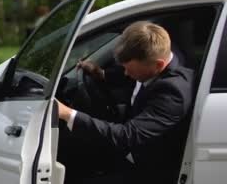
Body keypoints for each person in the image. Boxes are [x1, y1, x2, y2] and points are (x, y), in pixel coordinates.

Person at [56, 21, 195, 184]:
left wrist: (67, 113)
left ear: (159, 65)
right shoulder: (156, 62)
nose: (126, 73)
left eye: (130, 69)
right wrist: (101, 73)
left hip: (150, 170)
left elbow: (126, 136)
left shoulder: (173, 93)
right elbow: (130, 76)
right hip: (131, 153)